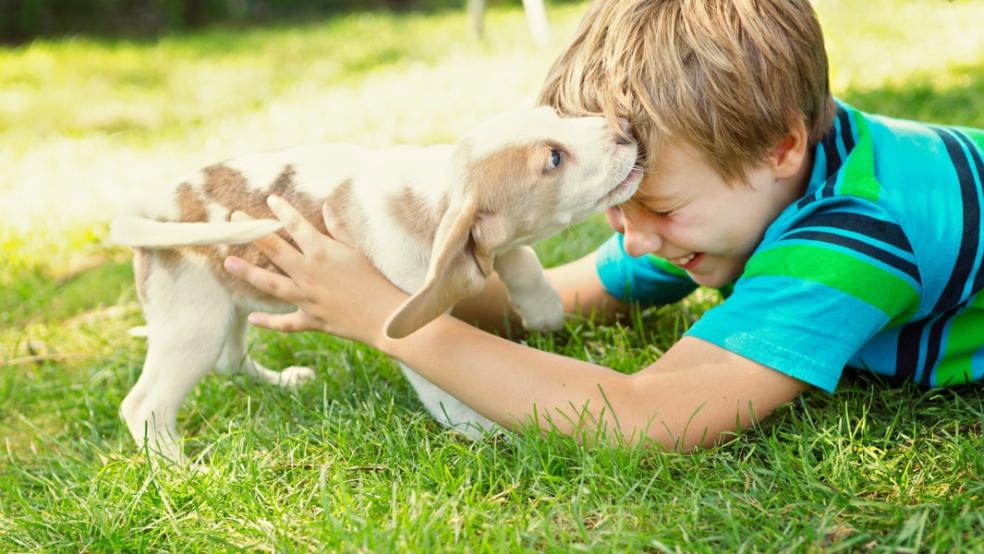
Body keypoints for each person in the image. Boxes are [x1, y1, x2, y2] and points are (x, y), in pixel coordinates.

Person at [222, 0, 984, 451]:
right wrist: (391, 272)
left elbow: (650, 417)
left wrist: (391, 325)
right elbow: (550, 303)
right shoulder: (727, 190)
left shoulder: (851, 236)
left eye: (656, 207)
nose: (634, 235)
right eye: (618, 200)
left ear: (782, 146)